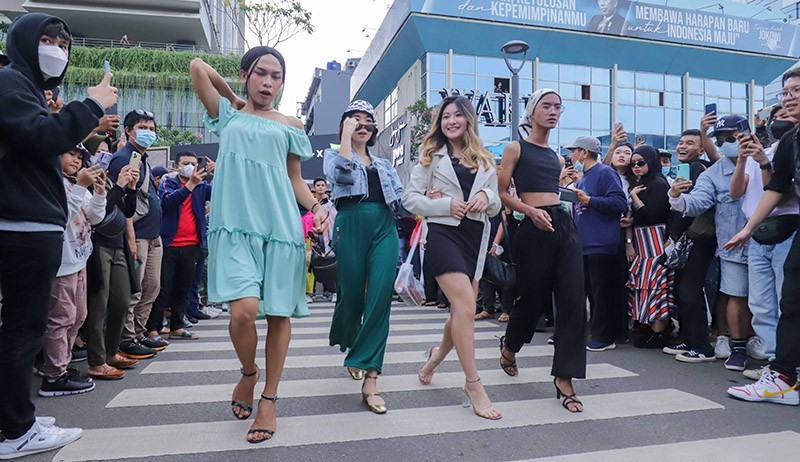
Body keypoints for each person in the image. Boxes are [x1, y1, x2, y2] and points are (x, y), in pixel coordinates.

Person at [191, 46, 327, 443]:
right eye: (261, 74)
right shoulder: (227, 115)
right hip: (235, 228)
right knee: (244, 312)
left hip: (281, 228)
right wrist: (233, 96)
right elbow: (198, 67)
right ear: (246, 74)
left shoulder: (290, 124)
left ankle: (269, 397)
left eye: (277, 76)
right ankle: (249, 373)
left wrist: (317, 206)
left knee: (279, 314)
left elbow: (295, 180)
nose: (269, 83)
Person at [0, 12, 117, 458]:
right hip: (24, 226)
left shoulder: (25, 88)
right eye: (47, 40)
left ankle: (14, 418)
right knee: (23, 330)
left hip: (29, 223)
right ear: (24, 43)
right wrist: (90, 105)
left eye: (64, 45)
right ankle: (18, 430)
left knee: (20, 329)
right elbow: (42, 136)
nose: (56, 50)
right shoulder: (12, 83)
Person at [404, 95, 502, 420]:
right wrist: (444, 205)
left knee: (463, 311)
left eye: (458, 116)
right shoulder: (430, 158)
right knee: (465, 307)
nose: (451, 121)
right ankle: (473, 384)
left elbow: (498, 203)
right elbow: (410, 199)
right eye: (446, 117)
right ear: (440, 123)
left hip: (474, 237)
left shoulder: (486, 160)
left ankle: (434, 358)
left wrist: (486, 196)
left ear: (468, 120)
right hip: (443, 235)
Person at [498, 89, 587, 412]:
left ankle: (565, 378)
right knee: (531, 300)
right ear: (532, 111)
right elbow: (501, 193)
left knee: (574, 299)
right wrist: (530, 211)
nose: (552, 112)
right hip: (532, 229)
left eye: (557, 107)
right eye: (546, 106)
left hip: (562, 223)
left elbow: (555, 193)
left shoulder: (558, 157)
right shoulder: (515, 148)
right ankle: (510, 346)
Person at [323, 100, 406, 413]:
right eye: (355, 120)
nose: (362, 125)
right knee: (351, 297)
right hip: (350, 222)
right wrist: (345, 136)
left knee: (380, 299)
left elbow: (401, 201)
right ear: (345, 124)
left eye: (367, 120)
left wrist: (428, 200)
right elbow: (342, 174)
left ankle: (371, 377)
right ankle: (352, 342)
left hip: (384, 226)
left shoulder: (383, 164)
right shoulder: (335, 155)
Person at [724, 68, 800, 406]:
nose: (789, 98)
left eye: (796, 91)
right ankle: (783, 376)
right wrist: (748, 228)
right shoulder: (790, 141)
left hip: (789, 229)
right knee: (791, 302)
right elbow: (776, 188)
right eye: (785, 93)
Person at [668, 115, 750, 369]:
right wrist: (676, 197)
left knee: (769, 302)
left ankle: (773, 354)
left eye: (731, 137)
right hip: (731, 245)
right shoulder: (713, 173)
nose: (726, 142)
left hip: (770, 240)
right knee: (736, 295)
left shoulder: (763, 161)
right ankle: (737, 346)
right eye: (721, 139)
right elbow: (696, 202)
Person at [40, 145, 107, 396]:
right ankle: (54, 375)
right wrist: (80, 187)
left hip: (79, 259)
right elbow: (60, 217)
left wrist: (99, 193)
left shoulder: (74, 184)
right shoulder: (50, 182)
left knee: (78, 316)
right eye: (72, 155)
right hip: (61, 263)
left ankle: (62, 366)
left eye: (80, 158)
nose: (77, 161)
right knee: (61, 318)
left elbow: (95, 218)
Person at [107, 109, 167, 358]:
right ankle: (126, 338)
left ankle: (139, 332)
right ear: (128, 131)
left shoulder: (141, 158)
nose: (148, 133)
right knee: (134, 289)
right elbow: (123, 202)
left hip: (153, 235)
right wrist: (130, 238)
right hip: (137, 235)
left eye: (152, 129)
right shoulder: (124, 158)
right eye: (143, 128)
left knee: (151, 287)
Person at [145, 151, 215, 343]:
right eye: (186, 163)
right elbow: (166, 203)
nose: (191, 166)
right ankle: (153, 327)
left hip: (192, 244)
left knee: (183, 287)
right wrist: (189, 185)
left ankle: (177, 325)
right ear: (177, 166)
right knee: (163, 289)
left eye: (193, 163)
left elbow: (221, 194)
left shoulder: (202, 186)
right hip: (169, 243)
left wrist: (218, 173)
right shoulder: (169, 182)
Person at [567, 136, 627, 352]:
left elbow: (619, 202)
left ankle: (604, 337)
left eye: (574, 151)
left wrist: (588, 200)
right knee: (593, 292)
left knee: (602, 293)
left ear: (584, 152)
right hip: (586, 243)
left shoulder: (604, 172)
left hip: (602, 243)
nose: (572, 156)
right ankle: (598, 333)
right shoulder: (584, 177)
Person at [84, 162, 141, 380]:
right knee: (98, 304)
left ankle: (111, 352)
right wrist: (118, 185)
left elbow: (127, 210)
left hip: (118, 246)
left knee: (122, 301)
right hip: (98, 245)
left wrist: (132, 188)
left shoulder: (107, 179)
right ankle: (97, 361)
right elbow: (101, 211)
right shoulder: (87, 180)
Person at [625, 146, 674, 348]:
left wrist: (634, 198)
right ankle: (651, 327)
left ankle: (659, 331)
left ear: (651, 162)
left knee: (656, 284)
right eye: (633, 163)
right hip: (643, 240)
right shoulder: (643, 183)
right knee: (645, 283)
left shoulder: (658, 183)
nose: (636, 167)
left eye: (641, 163)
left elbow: (651, 216)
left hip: (655, 239)